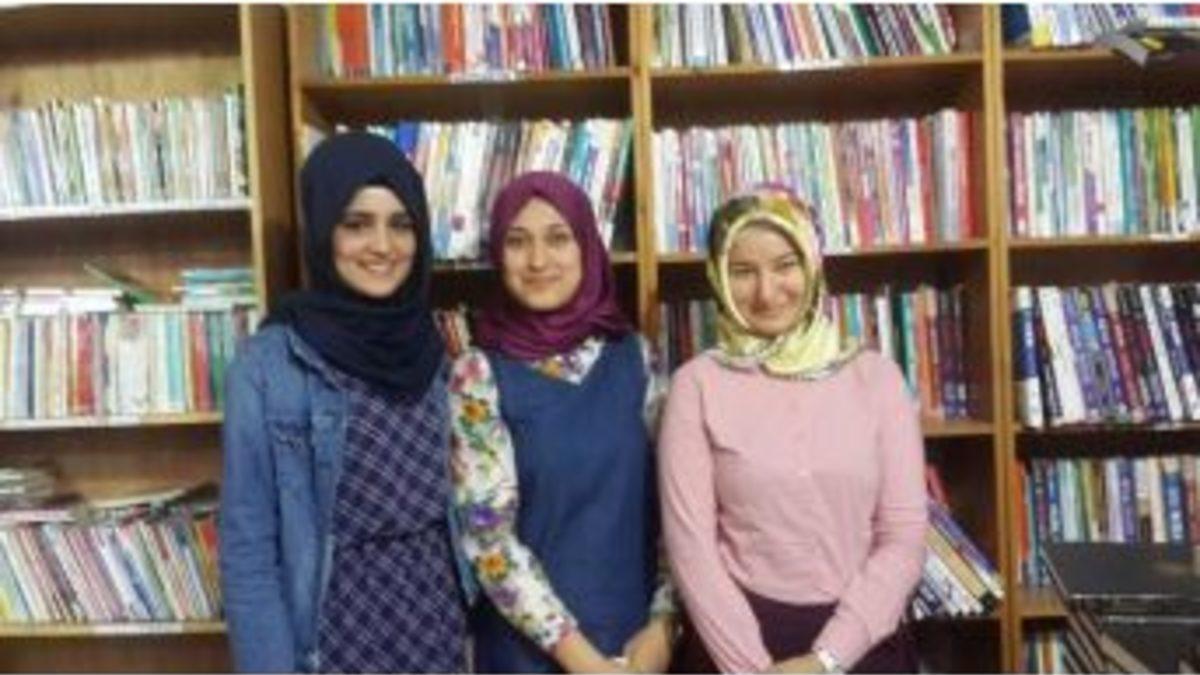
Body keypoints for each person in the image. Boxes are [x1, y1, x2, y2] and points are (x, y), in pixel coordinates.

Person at [220, 132, 468, 673]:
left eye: (400, 224)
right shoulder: (269, 366)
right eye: (356, 224)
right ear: (322, 231)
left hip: (437, 623)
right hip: (336, 633)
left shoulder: (434, 348)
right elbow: (248, 553)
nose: (382, 245)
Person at [658, 189, 927, 674]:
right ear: (718, 276)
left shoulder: (878, 378)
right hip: (731, 644)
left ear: (812, 263)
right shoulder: (695, 385)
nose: (766, 292)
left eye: (785, 265)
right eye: (743, 271)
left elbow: (903, 537)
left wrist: (826, 660)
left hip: (861, 639)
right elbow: (691, 551)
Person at [449, 171, 676, 673]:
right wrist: (585, 662)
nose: (537, 260)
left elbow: (679, 510)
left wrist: (664, 625)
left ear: (587, 246)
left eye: (557, 238)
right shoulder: (477, 375)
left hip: (639, 646)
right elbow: (489, 541)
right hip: (530, 655)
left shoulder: (637, 359)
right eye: (517, 241)